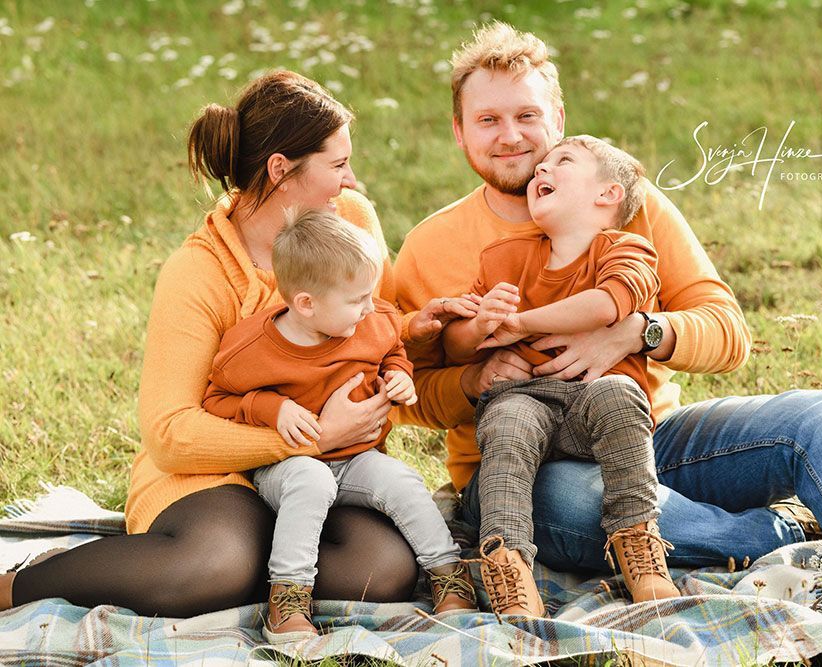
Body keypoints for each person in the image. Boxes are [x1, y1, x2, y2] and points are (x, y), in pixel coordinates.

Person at [391, 23, 822, 635]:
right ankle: (782, 530)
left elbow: (727, 331)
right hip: (520, 473)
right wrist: (476, 377)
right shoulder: (431, 245)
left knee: (818, 415)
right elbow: (407, 393)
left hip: (648, 438)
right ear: (459, 130)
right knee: (578, 501)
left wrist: (639, 332)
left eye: (527, 114)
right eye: (488, 120)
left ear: (558, 115)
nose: (511, 136)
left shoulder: (625, 202)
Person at [0, 70, 471, 619]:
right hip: (214, 470)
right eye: (338, 165)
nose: (352, 181)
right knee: (219, 564)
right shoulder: (199, 272)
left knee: (381, 572)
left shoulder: (352, 222)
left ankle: (253, 573)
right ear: (281, 170)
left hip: (335, 467)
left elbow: (370, 333)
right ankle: (19, 586)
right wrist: (305, 440)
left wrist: (416, 331)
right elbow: (171, 431)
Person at [202, 209, 477, 641]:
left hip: (356, 458)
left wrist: (399, 374)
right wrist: (272, 409)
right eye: (357, 300)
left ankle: (447, 574)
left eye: (370, 295)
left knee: (401, 480)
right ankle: (287, 599)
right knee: (311, 479)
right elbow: (216, 400)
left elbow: (391, 348)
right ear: (305, 303)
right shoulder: (250, 350)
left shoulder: (373, 319)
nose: (371, 308)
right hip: (287, 466)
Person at [443, 136, 680, 615]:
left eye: (562, 161)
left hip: (594, 405)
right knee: (507, 420)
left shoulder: (627, 249)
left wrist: (523, 323)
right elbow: (454, 345)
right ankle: (507, 567)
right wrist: (481, 323)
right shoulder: (503, 259)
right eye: (541, 166)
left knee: (617, 390)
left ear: (608, 194)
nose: (541, 170)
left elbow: (608, 303)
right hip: (525, 398)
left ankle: (639, 548)